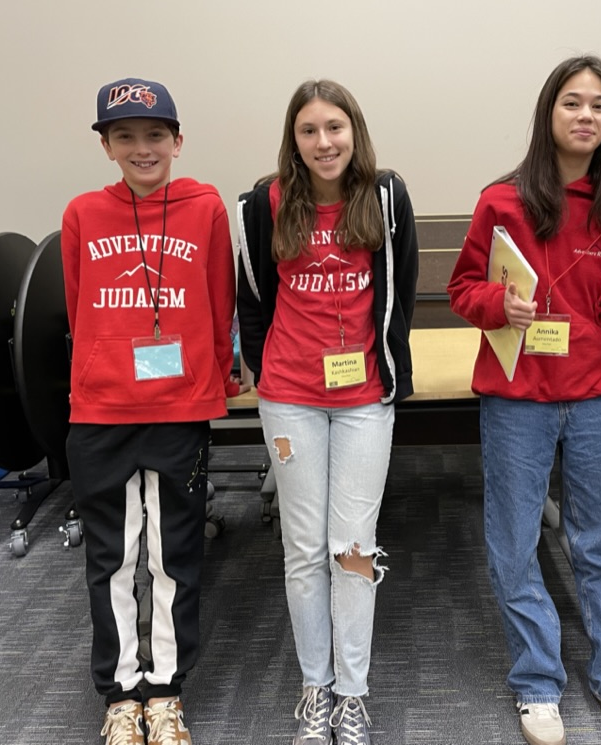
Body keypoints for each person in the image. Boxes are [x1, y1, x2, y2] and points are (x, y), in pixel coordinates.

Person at [448, 55, 601, 745]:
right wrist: (496, 303)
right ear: (549, 113)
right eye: (573, 102)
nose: (586, 115)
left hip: (591, 396)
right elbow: (462, 290)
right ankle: (538, 682)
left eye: (599, 105)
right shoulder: (502, 200)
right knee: (514, 542)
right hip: (517, 399)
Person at [236, 79, 418, 745]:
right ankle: (316, 688)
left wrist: (390, 371)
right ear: (294, 140)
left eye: (334, 127)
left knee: (353, 548)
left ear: (354, 131)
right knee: (304, 549)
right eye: (309, 130)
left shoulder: (385, 195)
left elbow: (401, 292)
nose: (323, 142)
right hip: (291, 398)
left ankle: (353, 694)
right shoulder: (263, 204)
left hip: (364, 397)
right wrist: (264, 372)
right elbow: (253, 298)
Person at [61, 77, 241, 745]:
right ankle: (119, 696)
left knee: (173, 556)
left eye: (155, 135)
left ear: (177, 141)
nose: (143, 148)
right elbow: (78, 305)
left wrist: (217, 374)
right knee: (111, 559)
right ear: (106, 146)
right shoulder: (82, 213)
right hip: (102, 411)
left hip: (177, 408)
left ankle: (164, 691)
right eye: (126, 136)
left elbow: (219, 297)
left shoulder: (205, 207)